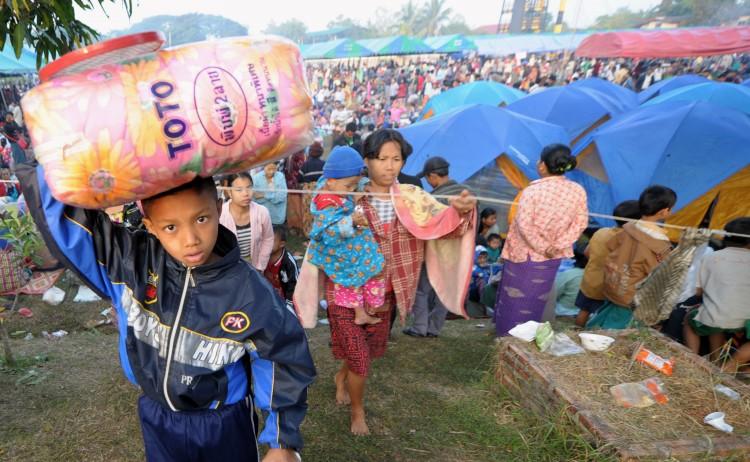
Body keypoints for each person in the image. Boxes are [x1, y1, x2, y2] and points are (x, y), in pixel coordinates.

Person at [18, 163, 315, 462]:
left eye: (201, 219)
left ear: (218, 207)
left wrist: (282, 441)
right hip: (158, 416)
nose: (190, 240)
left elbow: (281, 359)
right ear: (150, 226)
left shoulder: (250, 292)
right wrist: (52, 159)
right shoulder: (130, 262)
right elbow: (66, 221)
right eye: (171, 227)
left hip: (223, 422)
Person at [294, 128, 476, 436]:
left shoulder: (413, 197)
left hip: (386, 293)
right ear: (367, 161)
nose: (390, 166)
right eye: (382, 159)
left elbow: (443, 225)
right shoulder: (347, 193)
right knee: (360, 358)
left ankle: (343, 377)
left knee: (363, 352)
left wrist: (459, 212)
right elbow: (319, 228)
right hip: (344, 293)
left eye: (397, 159)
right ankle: (357, 411)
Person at [494, 144, 588, 337]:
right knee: (536, 298)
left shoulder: (533, 191)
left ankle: (508, 337)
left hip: (525, 255)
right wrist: (557, 246)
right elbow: (580, 223)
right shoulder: (577, 191)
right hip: (552, 256)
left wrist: (543, 246)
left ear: (543, 166)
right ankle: (527, 335)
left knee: (515, 298)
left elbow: (524, 224)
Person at [307, 146, 385, 326]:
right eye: (349, 186)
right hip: (337, 246)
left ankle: (370, 305)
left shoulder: (334, 184)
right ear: (331, 181)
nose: (351, 189)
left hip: (351, 241)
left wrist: (359, 189)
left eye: (354, 185)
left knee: (371, 265)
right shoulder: (325, 202)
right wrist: (351, 220)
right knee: (352, 273)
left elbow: (354, 183)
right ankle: (362, 310)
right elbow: (327, 230)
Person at [586, 186, 676, 329]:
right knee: (616, 330)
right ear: (664, 211)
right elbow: (658, 273)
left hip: (612, 283)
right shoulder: (659, 243)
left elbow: (611, 246)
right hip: (630, 296)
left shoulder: (627, 228)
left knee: (603, 318)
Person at [405, 156, 471, 338]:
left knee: (421, 290)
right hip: (457, 252)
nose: (428, 182)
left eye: (427, 178)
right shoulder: (467, 194)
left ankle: (420, 327)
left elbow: (426, 224)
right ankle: (434, 328)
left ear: (433, 175)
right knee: (445, 289)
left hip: (435, 251)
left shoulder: (435, 198)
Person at [683, 217, 750, 364]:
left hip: (718, 319)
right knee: (716, 314)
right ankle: (726, 364)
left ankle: (693, 360)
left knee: (692, 317)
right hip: (746, 322)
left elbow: (699, 292)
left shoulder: (711, 257)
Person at [574, 200, 641, 327]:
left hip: (590, 281)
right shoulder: (630, 242)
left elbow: (587, 252)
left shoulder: (601, 232)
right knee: (600, 316)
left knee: (584, 311)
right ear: (636, 222)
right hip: (609, 287)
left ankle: (576, 333)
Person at [219, 172, 275, 272]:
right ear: (230, 192)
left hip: (254, 266)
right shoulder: (220, 215)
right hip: (228, 270)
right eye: (239, 190)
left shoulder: (262, 212)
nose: (246, 193)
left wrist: (260, 266)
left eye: (249, 187)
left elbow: (268, 238)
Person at [264, 225, 299, 305]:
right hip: (267, 294)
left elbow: (293, 284)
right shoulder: (262, 256)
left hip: (284, 299)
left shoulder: (288, 262)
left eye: (271, 240)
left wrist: (289, 304)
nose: (266, 242)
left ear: (282, 244)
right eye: (265, 238)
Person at [299, 142, 325, 237]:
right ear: (321, 152)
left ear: (310, 152)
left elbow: (299, 178)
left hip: (308, 190)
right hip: (320, 189)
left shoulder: (306, 165)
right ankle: (319, 232)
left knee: (308, 211)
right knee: (319, 210)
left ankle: (308, 233)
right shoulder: (324, 164)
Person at [554, 247, 587, 317]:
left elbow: (555, 294)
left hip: (565, 310)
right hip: (587, 313)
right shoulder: (596, 275)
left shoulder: (569, 273)